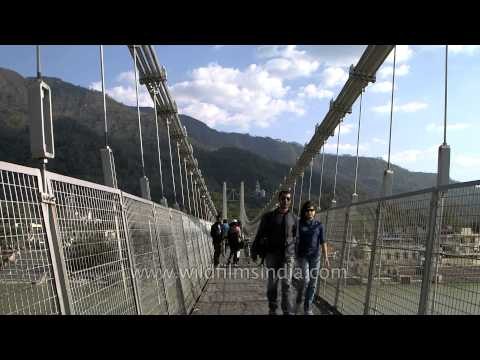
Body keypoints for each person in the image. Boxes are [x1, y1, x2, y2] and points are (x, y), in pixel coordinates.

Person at [251, 189, 297, 315]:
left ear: (290, 201)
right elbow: (260, 234)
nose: (285, 201)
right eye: (283, 198)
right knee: (272, 283)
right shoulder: (268, 217)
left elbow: (297, 237)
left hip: (288, 256)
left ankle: (286, 310)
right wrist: (254, 250)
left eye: (288, 199)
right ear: (279, 200)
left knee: (287, 284)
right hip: (272, 255)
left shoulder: (294, 218)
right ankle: (273, 308)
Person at [294, 201, 330, 315]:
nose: (310, 212)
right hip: (302, 256)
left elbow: (323, 242)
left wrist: (326, 257)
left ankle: (307, 307)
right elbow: (292, 240)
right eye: (308, 210)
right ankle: (299, 296)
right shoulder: (299, 224)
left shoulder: (319, 225)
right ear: (304, 212)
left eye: (312, 210)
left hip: (315, 257)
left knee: (313, 283)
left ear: (315, 212)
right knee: (306, 280)